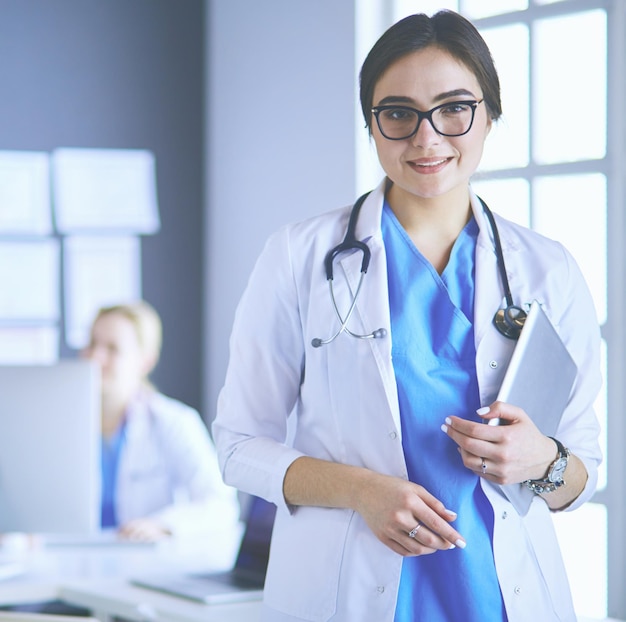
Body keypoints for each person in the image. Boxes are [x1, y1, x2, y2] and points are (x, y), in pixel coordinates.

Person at [212, 10, 602, 622]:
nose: (426, 138)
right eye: (397, 113)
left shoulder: (549, 271)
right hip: (349, 589)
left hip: (500, 595)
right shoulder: (298, 257)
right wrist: (361, 490)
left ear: (490, 115)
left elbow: (581, 477)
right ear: (372, 124)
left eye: (454, 109)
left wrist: (543, 462)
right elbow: (237, 447)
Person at [82, 301, 239, 542]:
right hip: (70, 557)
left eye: (112, 348)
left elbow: (221, 505)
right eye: (92, 343)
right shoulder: (60, 425)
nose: (95, 357)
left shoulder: (173, 422)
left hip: (145, 562)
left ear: (145, 361)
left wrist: (163, 525)